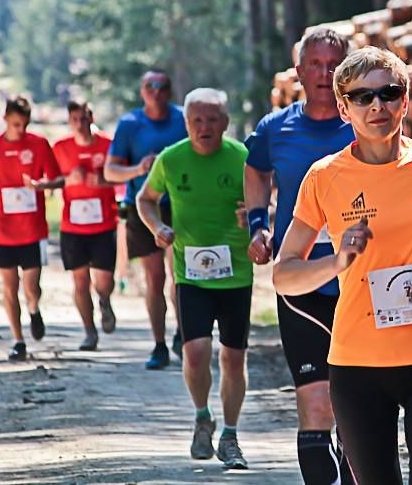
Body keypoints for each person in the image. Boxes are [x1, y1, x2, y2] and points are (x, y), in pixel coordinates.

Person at [274, 47, 412, 484]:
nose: (377, 105)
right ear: (343, 108)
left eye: (389, 93)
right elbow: (285, 272)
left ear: (406, 101)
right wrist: (338, 261)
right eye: (362, 97)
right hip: (358, 365)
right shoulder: (324, 177)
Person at [244, 27, 355, 484]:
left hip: (360, 283)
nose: (325, 74)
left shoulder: (365, 125)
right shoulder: (277, 128)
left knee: (356, 406)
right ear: (299, 71)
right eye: (316, 64)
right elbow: (255, 170)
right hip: (300, 281)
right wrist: (258, 223)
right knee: (315, 402)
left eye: (334, 65)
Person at [136, 88, 253, 470]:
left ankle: (231, 435)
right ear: (186, 123)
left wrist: (251, 217)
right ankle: (203, 415)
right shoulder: (171, 159)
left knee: (233, 359)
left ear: (225, 122)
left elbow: (263, 202)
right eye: (197, 120)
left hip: (236, 274)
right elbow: (145, 198)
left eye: (212, 119)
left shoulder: (242, 157)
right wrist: (157, 227)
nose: (205, 127)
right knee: (196, 351)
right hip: (191, 274)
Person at [0, 97, 60, 362]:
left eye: (25, 124)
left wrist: (42, 186)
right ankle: (18, 340)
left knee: (31, 286)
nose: (20, 130)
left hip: (33, 230)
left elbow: (58, 179)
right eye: (16, 124)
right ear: (6, 119)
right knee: (9, 288)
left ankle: (33, 307)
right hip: (3, 231)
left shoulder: (39, 145)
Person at [105, 69, 188, 370]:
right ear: (142, 91)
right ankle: (159, 344)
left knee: (180, 276)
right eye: (149, 86)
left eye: (162, 86)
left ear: (170, 90)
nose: (156, 91)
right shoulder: (130, 124)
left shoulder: (183, 119)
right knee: (155, 279)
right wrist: (139, 170)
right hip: (144, 208)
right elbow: (110, 171)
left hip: (180, 206)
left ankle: (183, 335)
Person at [34, 102, 119, 351]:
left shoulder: (107, 144)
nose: (80, 123)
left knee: (103, 281)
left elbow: (122, 175)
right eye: (75, 119)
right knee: (80, 282)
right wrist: (68, 180)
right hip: (73, 226)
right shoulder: (60, 147)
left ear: (91, 117)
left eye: (84, 118)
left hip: (104, 223)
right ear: (69, 121)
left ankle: (104, 300)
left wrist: (103, 180)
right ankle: (89, 332)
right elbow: (50, 180)